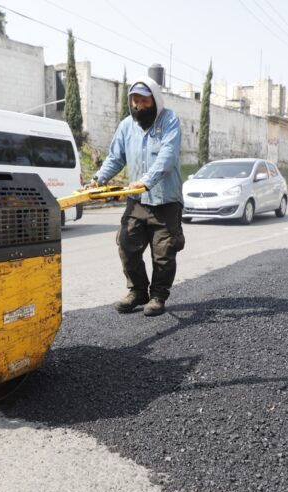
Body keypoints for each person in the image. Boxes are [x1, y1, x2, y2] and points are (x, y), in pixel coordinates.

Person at [90, 77, 184, 317]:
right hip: (136, 200)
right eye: (135, 101)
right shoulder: (126, 126)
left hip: (165, 200)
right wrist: (99, 179)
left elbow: (168, 156)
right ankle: (138, 291)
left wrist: (146, 181)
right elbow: (115, 158)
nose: (139, 106)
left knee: (163, 252)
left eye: (144, 101)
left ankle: (158, 296)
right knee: (126, 244)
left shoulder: (170, 121)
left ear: (154, 100)